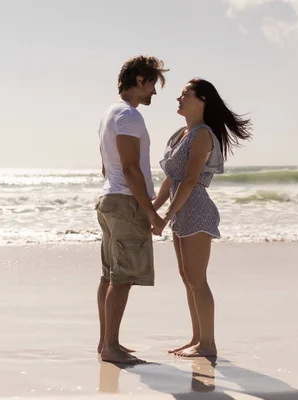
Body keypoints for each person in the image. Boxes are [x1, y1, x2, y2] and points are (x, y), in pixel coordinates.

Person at [152, 78, 253, 357]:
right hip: (180, 210)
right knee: (187, 277)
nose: (179, 98)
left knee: (197, 278)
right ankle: (197, 338)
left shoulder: (203, 135)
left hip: (195, 209)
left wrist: (165, 216)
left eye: (185, 94)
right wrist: (152, 207)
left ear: (201, 100)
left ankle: (208, 344)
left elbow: (189, 180)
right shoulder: (179, 135)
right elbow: (170, 179)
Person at [95, 55, 168, 364]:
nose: (154, 92)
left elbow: (105, 168)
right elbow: (130, 169)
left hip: (110, 199)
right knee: (122, 278)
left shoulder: (110, 114)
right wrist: (150, 211)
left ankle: (107, 343)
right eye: (153, 84)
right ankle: (111, 347)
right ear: (140, 80)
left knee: (109, 275)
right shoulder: (129, 116)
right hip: (125, 202)